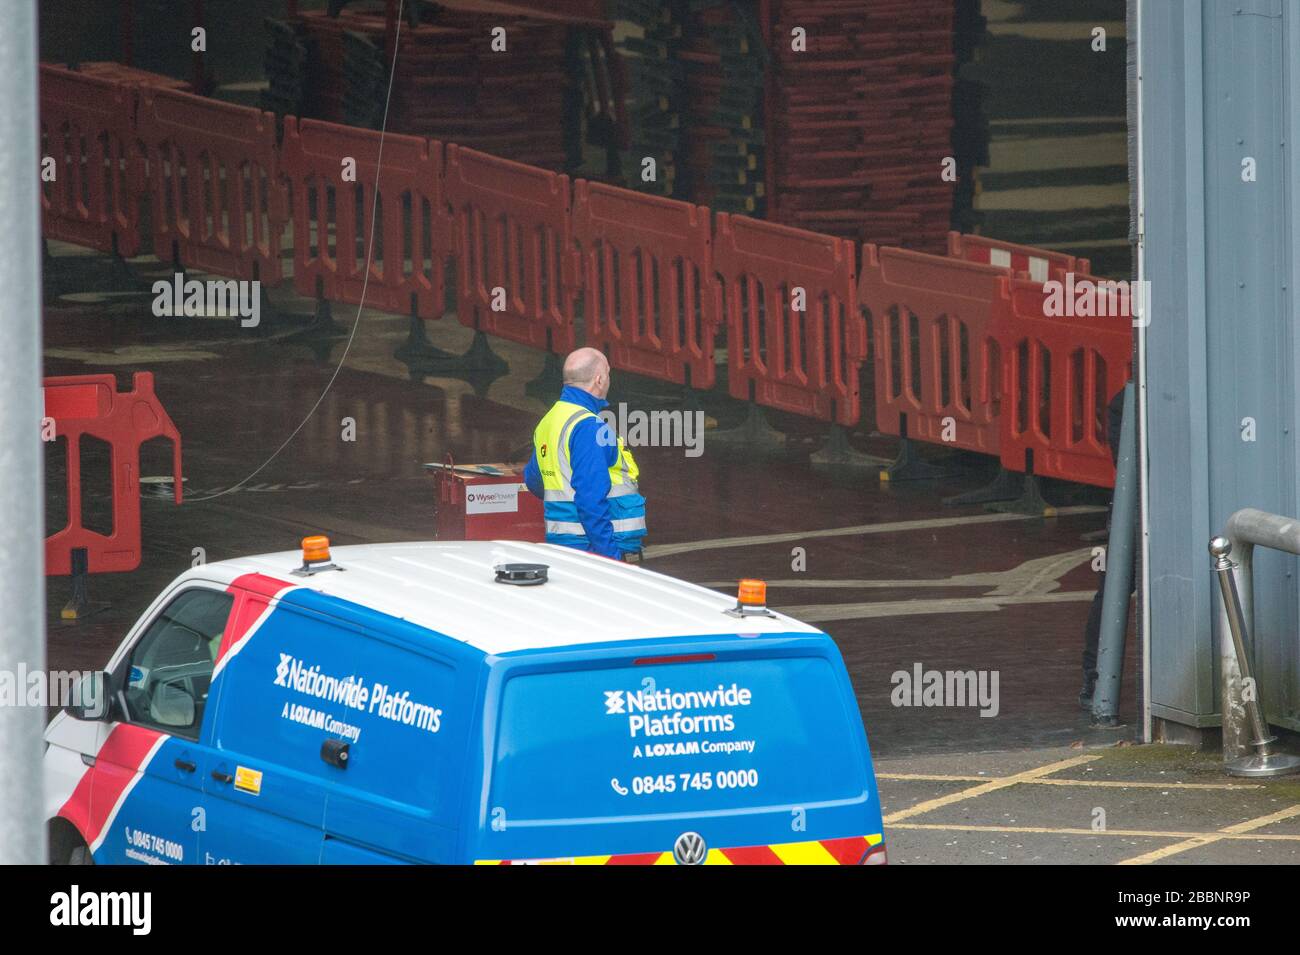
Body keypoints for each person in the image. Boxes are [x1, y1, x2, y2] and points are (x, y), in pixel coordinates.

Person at [524, 348, 646, 560]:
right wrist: (611, 557)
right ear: (599, 380)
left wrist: (564, 502)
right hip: (593, 547)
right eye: (608, 374)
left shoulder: (550, 421)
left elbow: (534, 479)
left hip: (562, 541)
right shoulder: (589, 427)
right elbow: (590, 497)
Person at [1081, 387, 1134, 707]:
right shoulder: (1128, 399)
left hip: (1134, 505)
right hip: (1140, 507)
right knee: (1113, 589)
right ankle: (1096, 677)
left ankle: (1095, 678)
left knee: (1113, 589)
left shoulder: (1126, 398)